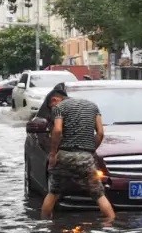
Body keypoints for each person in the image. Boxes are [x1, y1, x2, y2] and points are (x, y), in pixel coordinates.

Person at [40, 85, 116, 220]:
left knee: (53, 192)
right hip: (86, 157)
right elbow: (100, 133)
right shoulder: (92, 106)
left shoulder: (59, 107)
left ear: (54, 100)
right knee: (99, 194)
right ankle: (110, 223)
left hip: (64, 155)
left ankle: (44, 225)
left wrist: (52, 154)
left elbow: (57, 131)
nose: (52, 110)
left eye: (50, 106)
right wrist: (91, 150)